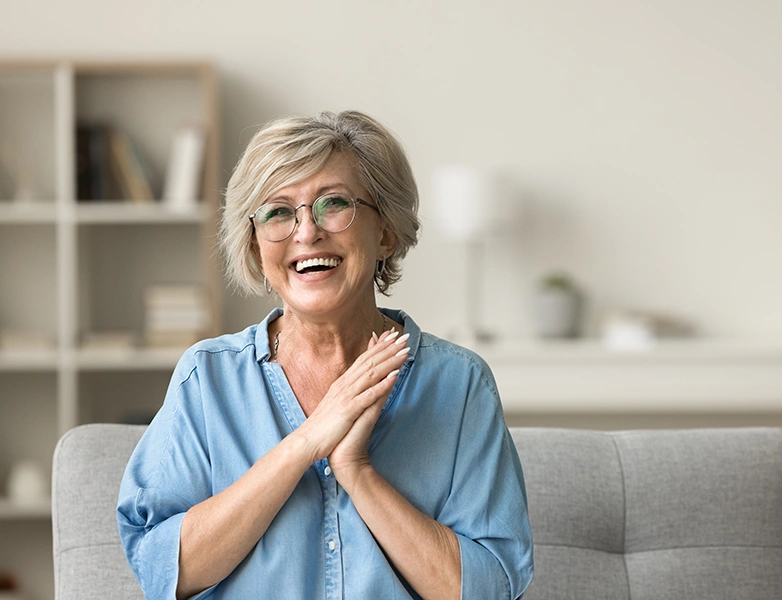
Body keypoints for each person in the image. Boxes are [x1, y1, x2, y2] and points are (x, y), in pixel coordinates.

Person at [117, 110, 534, 600]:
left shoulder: (459, 385)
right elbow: (164, 570)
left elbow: (490, 590)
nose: (306, 232)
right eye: (277, 212)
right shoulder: (207, 378)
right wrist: (306, 443)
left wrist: (357, 472)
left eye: (333, 204)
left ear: (386, 232)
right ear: (254, 247)